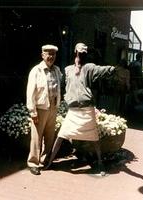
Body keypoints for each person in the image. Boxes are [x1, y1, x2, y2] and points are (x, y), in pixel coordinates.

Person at [45, 42, 115, 176]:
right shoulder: (67, 69)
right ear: (75, 52)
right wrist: (66, 96)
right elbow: (62, 83)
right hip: (73, 111)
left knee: (94, 138)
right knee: (61, 135)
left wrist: (114, 68)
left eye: (83, 52)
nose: (81, 54)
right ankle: (49, 161)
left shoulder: (89, 67)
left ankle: (100, 163)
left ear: (85, 54)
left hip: (87, 109)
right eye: (79, 52)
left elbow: (103, 70)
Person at [26, 44, 62, 175]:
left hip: (52, 107)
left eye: (53, 54)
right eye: (48, 54)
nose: (51, 56)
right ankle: (33, 163)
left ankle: (45, 160)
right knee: (36, 137)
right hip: (40, 109)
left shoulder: (57, 70)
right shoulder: (36, 71)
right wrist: (32, 111)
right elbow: (30, 92)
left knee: (50, 137)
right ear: (42, 55)